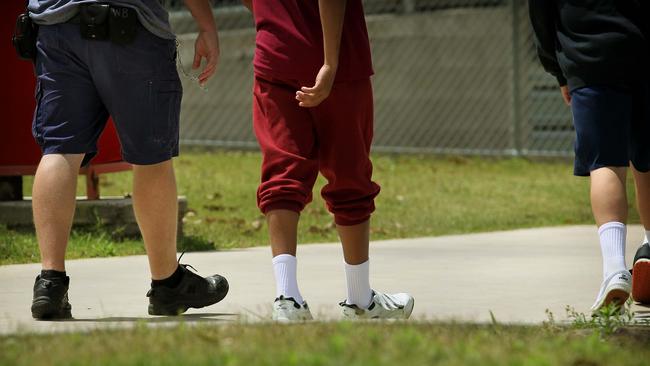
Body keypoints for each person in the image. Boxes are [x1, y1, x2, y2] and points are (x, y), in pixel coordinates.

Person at [27, 0, 228, 319]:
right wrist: (206, 25)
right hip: (131, 25)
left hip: (57, 26)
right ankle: (167, 284)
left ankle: (50, 283)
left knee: (61, 149)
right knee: (152, 156)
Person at [240, 0, 414, 321]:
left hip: (276, 52)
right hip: (337, 60)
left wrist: (277, 20)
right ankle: (360, 299)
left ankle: (287, 297)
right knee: (350, 174)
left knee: (282, 171)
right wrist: (330, 63)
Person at [528, 0, 650, 312]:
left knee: (605, 164)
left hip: (589, 55)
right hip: (642, 49)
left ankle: (614, 270)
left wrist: (557, 69)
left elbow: (540, 12)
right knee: (647, 161)